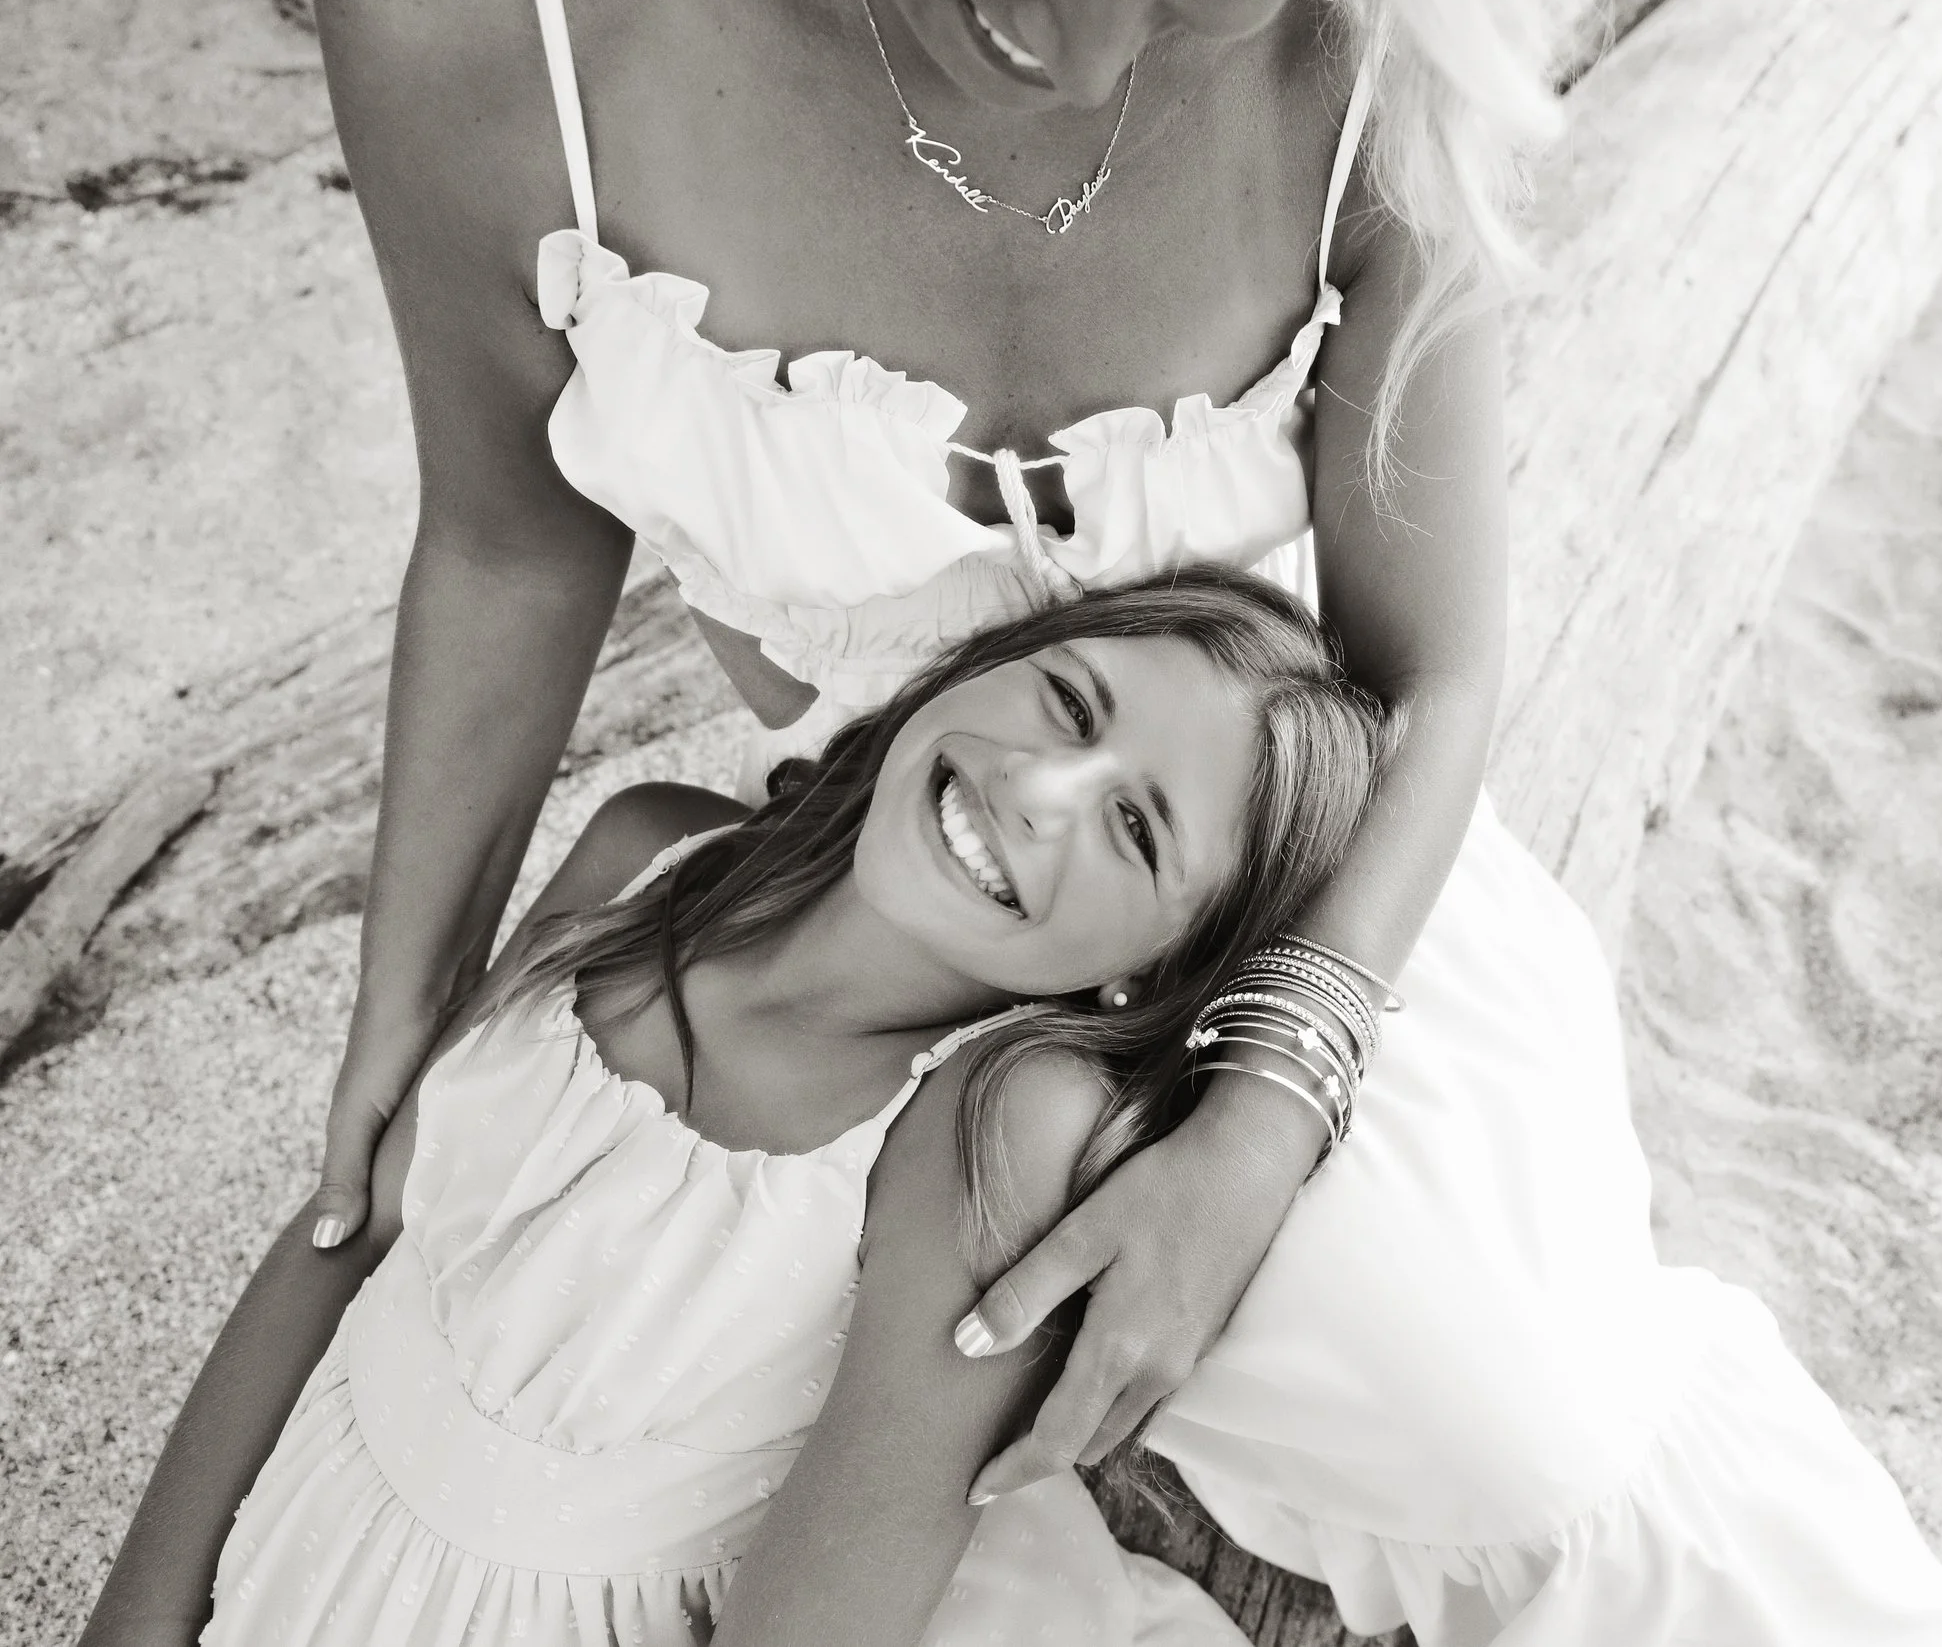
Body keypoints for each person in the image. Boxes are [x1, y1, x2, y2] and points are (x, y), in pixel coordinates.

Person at [268, 0, 1942, 1638]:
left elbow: (1432, 676)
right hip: (885, 840)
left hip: (1270, 874)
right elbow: (510, 541)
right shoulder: (490, 25)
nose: (1091, 56)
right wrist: (406, 993)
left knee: (1519, 1431)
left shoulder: (1386, 54)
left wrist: (1265, 1115)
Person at [80, 572, 1387, 1646]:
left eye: (1136, 830)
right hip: (291, 1556)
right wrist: (139, 1618)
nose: (1037, 790)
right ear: (985, 661)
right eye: (1066, 699)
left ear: (1156, 971)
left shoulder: (991, 1131)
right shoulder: (645, 854)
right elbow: (353, 1234)